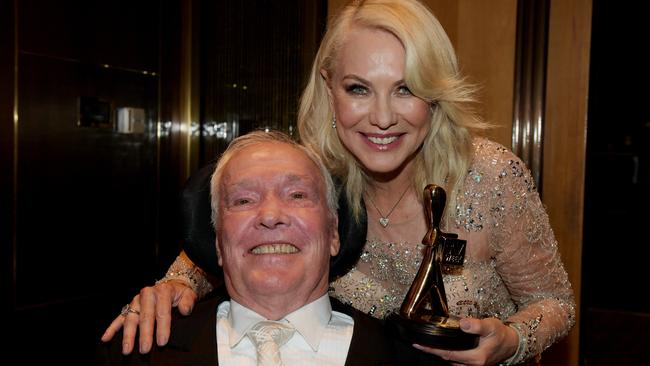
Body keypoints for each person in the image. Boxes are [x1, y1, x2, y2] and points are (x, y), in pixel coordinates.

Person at [102, 0, 576, 365]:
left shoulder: (489, 178)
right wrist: (168, 288)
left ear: (434, 95)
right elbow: (227, 238)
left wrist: (510, 341)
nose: (384, 118)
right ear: (329, 87)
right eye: (358, 89)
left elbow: (555, 302)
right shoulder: (312, 179)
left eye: (406, 88)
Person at [96, 131, 443, 365]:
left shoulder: (415, 360)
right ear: (218, 241)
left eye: (297, 195)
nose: (271, 215)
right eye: (244, 200)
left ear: (334, 232)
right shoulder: (135, 352)